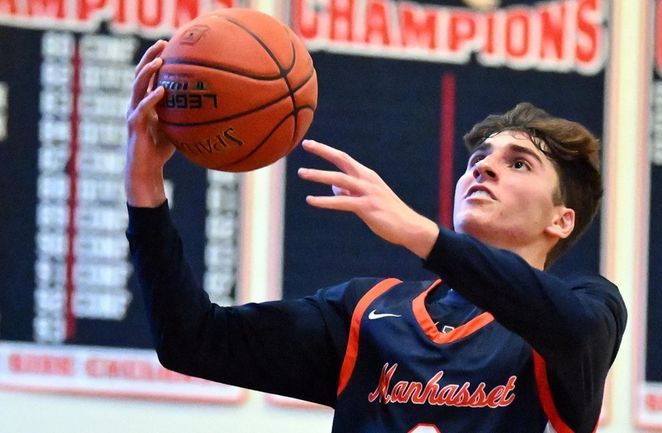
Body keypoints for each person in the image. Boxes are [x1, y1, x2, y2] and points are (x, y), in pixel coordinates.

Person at [126, 40, 626, 433]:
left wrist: (420, 234)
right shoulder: (367, 312)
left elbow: (573, 327)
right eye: (477, 161)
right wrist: (145, 185)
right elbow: (192, 341)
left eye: (518, 163)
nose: (485, 169)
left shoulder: (587, 309)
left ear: (561, 219)